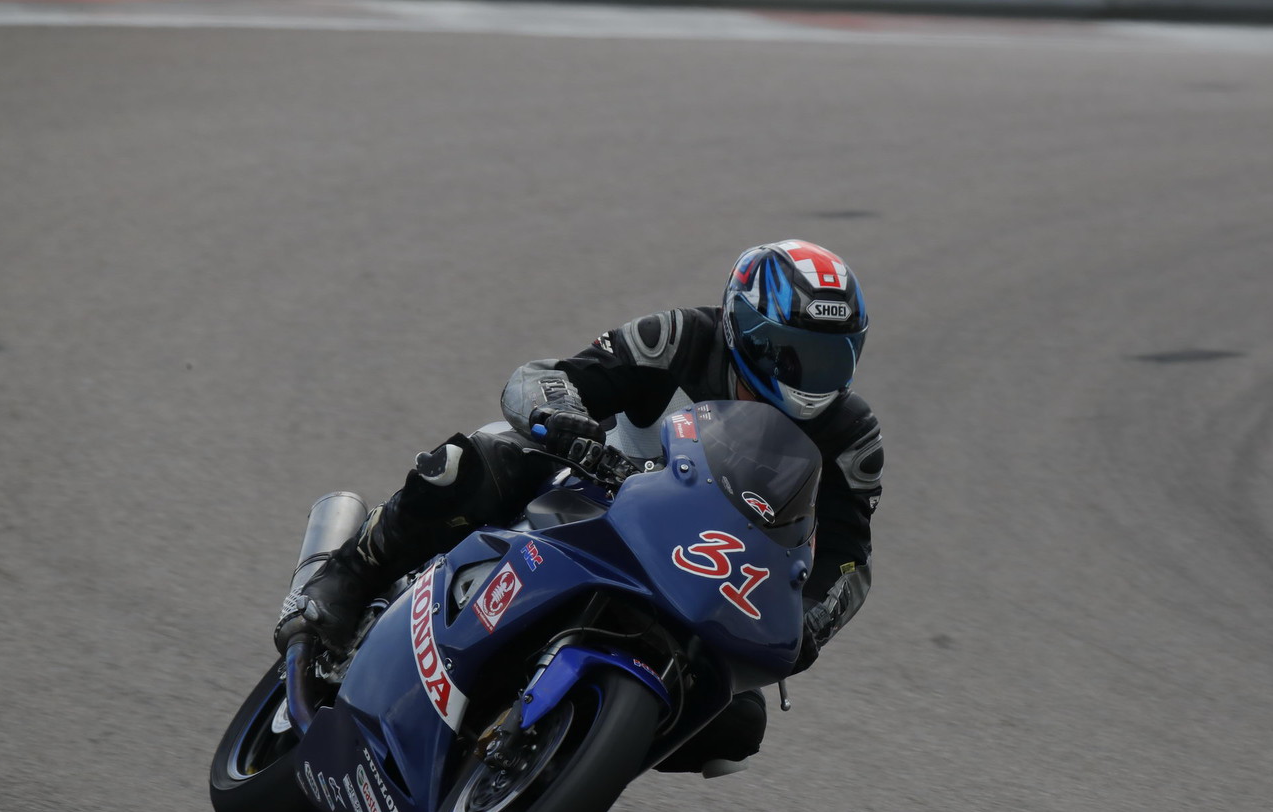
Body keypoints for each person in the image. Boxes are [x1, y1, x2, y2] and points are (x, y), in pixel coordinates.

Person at [276, 239, 884, 776]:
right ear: (744, 329)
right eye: (791, 352)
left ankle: (565, 760)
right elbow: (545, 376)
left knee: (735, 723)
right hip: (600, 494)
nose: (810, 376)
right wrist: (561, 417)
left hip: (706, 571)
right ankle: (350, 573)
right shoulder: (680, 337)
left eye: (830, 359)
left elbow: (849, 559)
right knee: (473, 464)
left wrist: (811, 622)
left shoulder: (851, 435)